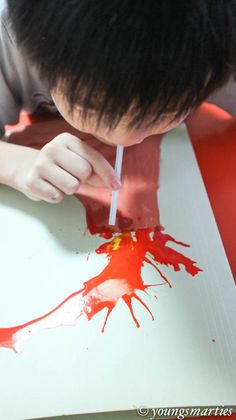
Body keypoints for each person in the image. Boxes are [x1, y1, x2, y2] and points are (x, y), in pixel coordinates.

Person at [0, 0, 235, 204]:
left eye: (164, 114)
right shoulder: (11, 35)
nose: (122, 139)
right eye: (86, 106)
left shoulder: (213, 45)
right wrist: (18, 165)